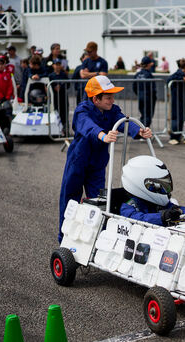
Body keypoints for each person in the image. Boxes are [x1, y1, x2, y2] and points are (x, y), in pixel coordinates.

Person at [58, 76, 153, 241]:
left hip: (98, 162)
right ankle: (64, 236)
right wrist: (103, 136)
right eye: (108, 97)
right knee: (70, 197)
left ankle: (97, 237)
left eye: (112, 96)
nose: (112, 100)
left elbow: (124, 121)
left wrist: (140, 131)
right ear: (95, 98)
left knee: (99, 201)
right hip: (78, 160)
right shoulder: (83, 110)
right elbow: (88, 126)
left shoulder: (112, 110)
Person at [120, 156, 185, 226]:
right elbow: (137, 218)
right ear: (138, 182)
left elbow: (177, 210)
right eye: (158, 185)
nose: (164, 189)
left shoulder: (159, 202)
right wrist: (162, 217)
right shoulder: (128, 207)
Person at [167, 58, 185, 145]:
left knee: (182, 118)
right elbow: (169, 79)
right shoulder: (178, 73)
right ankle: (173, 137)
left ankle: (179, 136)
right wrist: (181, 78)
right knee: (176, 119)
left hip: (183, 100)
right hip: (176, 99)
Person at [133, 56, 157, 128]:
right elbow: (152, 88)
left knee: (143, 115)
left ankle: (141, 131)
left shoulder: (137, 74)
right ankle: (144, 132)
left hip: (141, 96)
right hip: (148, 97)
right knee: (148, 115)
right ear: (148, 64)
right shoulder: (148, 74)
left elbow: (134, 87)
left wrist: (139, 94)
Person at [48, 58, 68, 125]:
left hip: (63, 97)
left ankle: (64, 127)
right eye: (56, 65)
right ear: (53, 65)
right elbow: (48, 85)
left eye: (59, 65)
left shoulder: (64, 75)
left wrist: (61, 86)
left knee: (64, 113)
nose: (58, 66)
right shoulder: (50, 75)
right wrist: (54, 87)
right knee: (55, 112)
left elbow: (68, 84)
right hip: (54, 98)